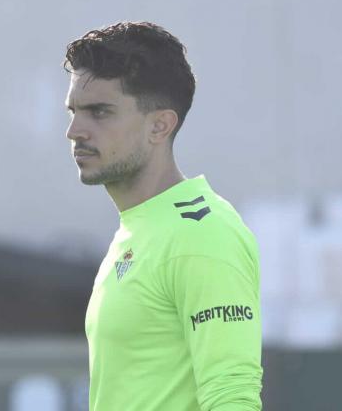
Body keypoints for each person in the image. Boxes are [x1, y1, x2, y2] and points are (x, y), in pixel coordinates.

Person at [63, 21, 263, 411]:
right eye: (73, 111)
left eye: (99, 112)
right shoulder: (140, 228)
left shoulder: (202, 235)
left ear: (160, 125)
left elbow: (232, 397)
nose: (74, 130)